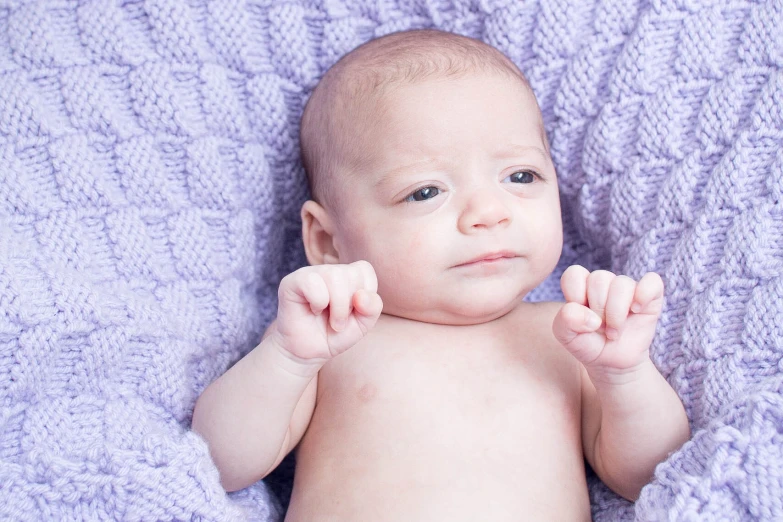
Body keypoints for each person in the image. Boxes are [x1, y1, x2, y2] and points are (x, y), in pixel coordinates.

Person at [191, 29, 690, 521]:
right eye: (425, 191)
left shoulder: (570, 335)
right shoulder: (327, 342)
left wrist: (623, 373)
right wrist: (286, 357)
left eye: (521, 176)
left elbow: (651, 475)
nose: (489, 212)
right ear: (327, 241)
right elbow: (216, 464)